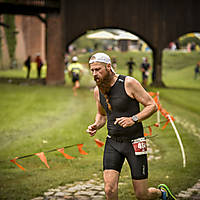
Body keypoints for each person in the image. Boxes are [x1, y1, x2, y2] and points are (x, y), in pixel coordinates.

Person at [87, 52, 176, 200]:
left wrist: (133, 119)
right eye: (92, 70)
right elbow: (102, 115)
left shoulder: (128, 83)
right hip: (113, 142)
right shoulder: (98, 91)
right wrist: (96, 125)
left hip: (135, 142)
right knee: (109, 189)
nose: (95, 74)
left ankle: (162, 194)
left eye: (98, 69)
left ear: (108, 67)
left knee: (142, 194)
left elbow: (152, 106)